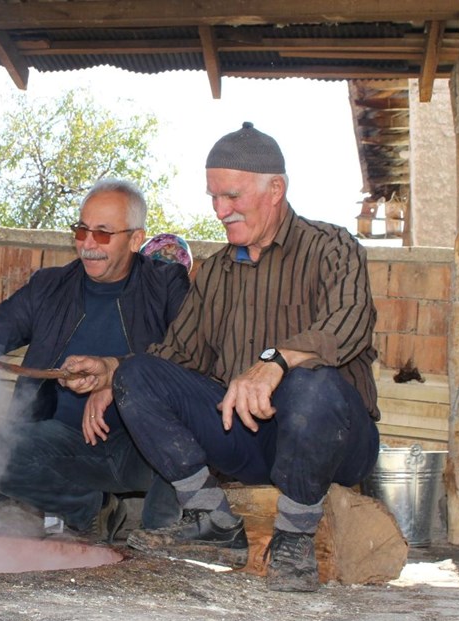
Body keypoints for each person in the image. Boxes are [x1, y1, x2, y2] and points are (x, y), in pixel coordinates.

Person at [61, 123, 380, 591]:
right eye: (212, 197)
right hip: (250, 441)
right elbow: (174, 354)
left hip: (334, 441)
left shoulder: (333, 246)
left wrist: (275, 362)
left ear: (276, 189)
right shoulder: (216, 273)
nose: (219, 210)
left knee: (312, 385)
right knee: (138, 374)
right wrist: (111, 373)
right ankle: (213, 518)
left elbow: (350, 323)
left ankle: (294, 541)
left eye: (230, 196)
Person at [0, 178, 190, 542]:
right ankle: (90, 511)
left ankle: (161, 540)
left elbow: (191, 354)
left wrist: (118, 375)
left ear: (135, 239)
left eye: (102, 234)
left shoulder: (167, 285)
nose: (86, 244)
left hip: (143, 449)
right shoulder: (49, 286)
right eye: (82, 230)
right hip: (65, 444)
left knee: (190, 429)